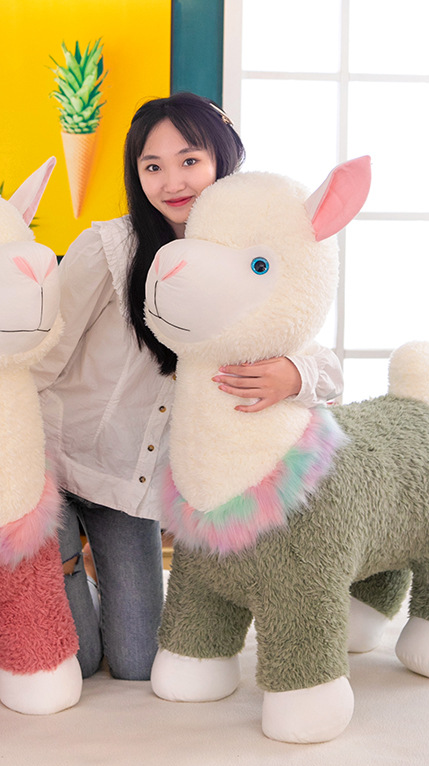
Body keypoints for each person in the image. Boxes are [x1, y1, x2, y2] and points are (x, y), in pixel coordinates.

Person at [31, 92, 343, 681]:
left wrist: (295, 374)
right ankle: (59, 561)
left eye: (190, 160)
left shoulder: (251, 255)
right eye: (152, 166)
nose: (172, 182)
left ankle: (76, 584)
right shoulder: (110, 248)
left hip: (130, 489)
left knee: (136, 662)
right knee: (79, 660)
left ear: (223, 160)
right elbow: (41, 356)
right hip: (58, 468)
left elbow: (322, 358)